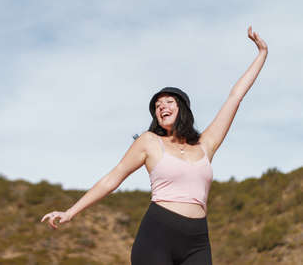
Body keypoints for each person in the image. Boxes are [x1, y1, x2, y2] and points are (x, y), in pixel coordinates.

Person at [41, 26, 268, 264]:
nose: (162, 107)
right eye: (158, 106)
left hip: (197, 240)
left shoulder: (205, 144)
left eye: (169, 102)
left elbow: (235, 97)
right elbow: (114, 177)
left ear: (183, 109)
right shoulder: (149, 142)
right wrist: (70, 212)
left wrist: (261, 53)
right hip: (157, 235)